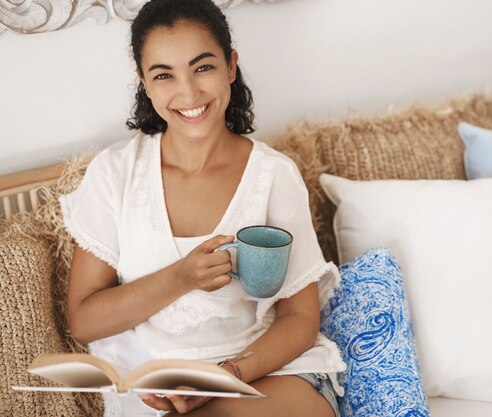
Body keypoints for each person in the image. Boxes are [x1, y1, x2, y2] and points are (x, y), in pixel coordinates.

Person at [59, 0, 346, 415]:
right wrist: (181, 277)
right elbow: (84, 320)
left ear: (231, 66)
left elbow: (300, 318)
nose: (189, 92)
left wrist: (224, 377)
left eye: (203, 67)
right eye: (164, 74)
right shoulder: (115, 174)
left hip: (270, 375)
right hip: (163, 390)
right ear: (143, 82)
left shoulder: (272, 175)